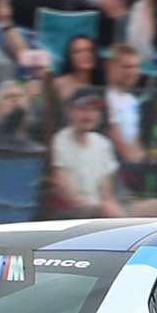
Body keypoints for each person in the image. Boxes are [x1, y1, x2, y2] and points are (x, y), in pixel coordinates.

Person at [49, 87, 129, 216]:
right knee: (109, 209)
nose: (89, 115)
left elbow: (106, 192)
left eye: (94, 110)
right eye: (83, 109)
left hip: (102, 208)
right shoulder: (59, 141)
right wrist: (87, 207)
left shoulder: (102, 143)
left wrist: (112, 209)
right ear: (70, 111)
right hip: (73, 211)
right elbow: (61, 183)